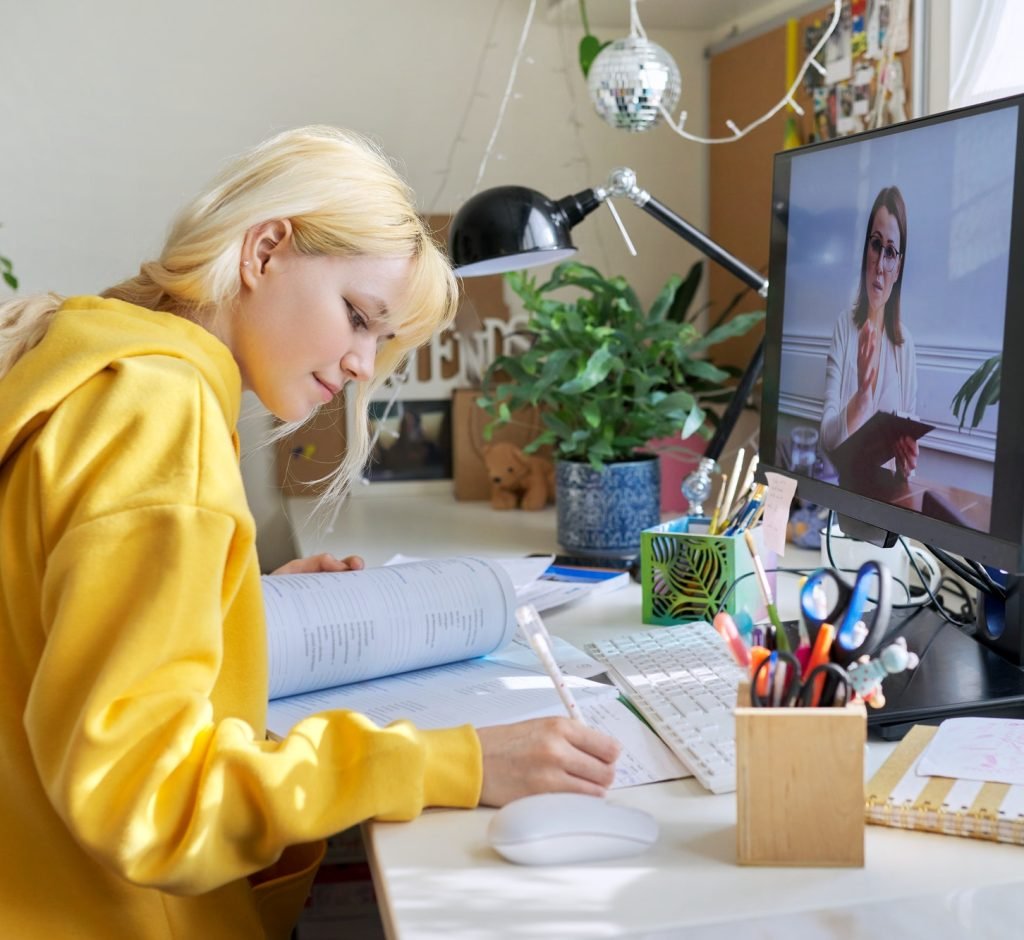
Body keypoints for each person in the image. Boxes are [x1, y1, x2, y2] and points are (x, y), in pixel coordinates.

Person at [0, 126, 620, 939]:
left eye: (381, 338)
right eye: (359, 316)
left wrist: (225, 608)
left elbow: (40, 629)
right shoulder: (161, 412)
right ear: (264, 251)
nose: (364, 362)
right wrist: (456, 760)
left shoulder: (90, 359)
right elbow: (147, 800)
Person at [820, 185, 918, 480]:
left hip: (887, 511)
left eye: (890, 252)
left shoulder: (906, 345)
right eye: (876, 245)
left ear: (898, 267)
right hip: (841, 502)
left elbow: (906, 470)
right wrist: (862, 395)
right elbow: (826, 440)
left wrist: (907, 463)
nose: (879, 266)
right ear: (865, 250)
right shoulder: (843, 326)